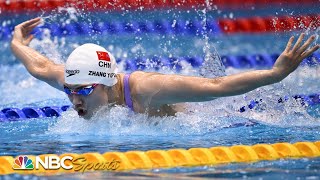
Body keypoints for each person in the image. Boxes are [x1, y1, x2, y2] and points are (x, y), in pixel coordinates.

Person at [11, 17, 319, 119]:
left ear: (104, 83)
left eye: (84, 91)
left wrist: (275, 74)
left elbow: (216, 88)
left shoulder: (145, 88)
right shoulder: (75, 82)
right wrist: (16, 42)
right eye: (70, 92)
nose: (75, 101)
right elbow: (40, 66)